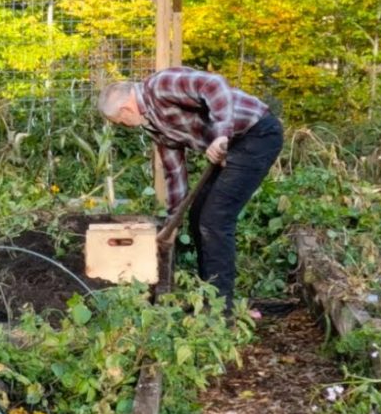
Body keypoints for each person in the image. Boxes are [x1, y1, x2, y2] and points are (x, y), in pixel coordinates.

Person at [97, 67, 283, 312]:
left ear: (125, 110)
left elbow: (214, 85)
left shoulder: (160, 86)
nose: (124, 126)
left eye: (120, 122)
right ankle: (210, 297)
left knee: (214, 220)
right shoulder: (154, 126)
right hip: (232, 145)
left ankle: (220, 311)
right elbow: (174, 172)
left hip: (257, 133)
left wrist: (221, 135)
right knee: (198, 216)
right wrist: (173, 221)